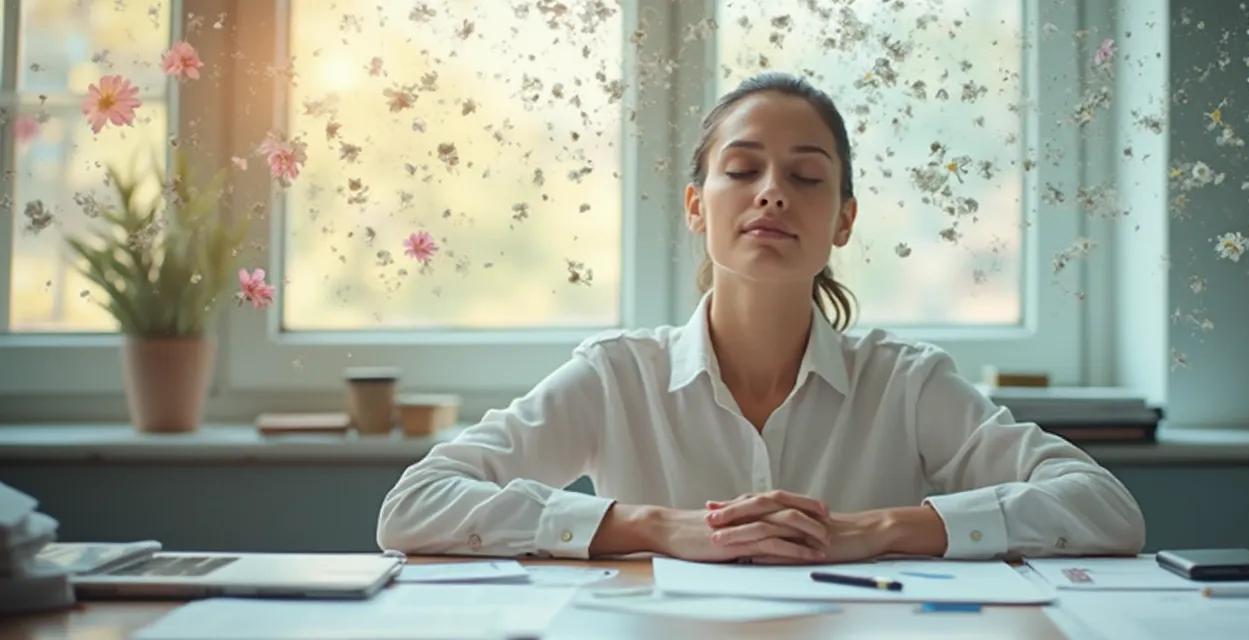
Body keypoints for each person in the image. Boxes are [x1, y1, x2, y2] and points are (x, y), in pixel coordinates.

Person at [377, 72, 1145, 563]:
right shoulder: (618, 375)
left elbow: (1107, 509)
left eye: (806, 176)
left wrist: (874, 530)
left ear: (843, 220)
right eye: (742, 170)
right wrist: (650, 526)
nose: (772, 192)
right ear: (694, 208)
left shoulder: (907, 382)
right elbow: (413, 507)